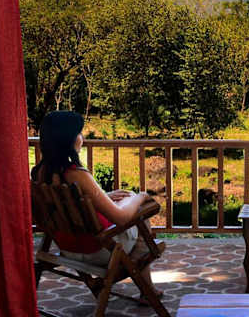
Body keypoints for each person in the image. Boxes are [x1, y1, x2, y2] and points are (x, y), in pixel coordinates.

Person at [31, 111, 158, 288]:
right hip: (98, 251)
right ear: (68, 138)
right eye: (78, 132)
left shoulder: (39, 172)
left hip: (67, 248)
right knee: (140, 215)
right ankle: (142, 282)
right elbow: (121, 218)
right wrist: (140, 197)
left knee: (125, 201)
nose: (81, 137)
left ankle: (140, 279)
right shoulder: (76, 174)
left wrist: (104, 198)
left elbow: (66, 206)